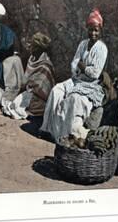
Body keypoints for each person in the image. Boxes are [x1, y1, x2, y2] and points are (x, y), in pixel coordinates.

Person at [40, 9, 108, 141]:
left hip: (91, 85)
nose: (93, 33)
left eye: (96, 30)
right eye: (91, 29)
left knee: (74, 99)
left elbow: (95, 73)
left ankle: (66, 134)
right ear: (87, 29)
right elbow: (74, 63)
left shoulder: (101, 48)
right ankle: (48, 129)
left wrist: (83, 67)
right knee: (56, 91)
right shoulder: (83, 44)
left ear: (100, 31)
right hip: (76, 79)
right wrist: (79, 68)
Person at [2, 32, 55, 120]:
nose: (30, 48)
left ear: (39, 49)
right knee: (15, 103)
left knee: (18, 105)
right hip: (29, 91)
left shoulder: (45, 65)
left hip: (40, 96)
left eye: (33, 46)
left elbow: (42, 86)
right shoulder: (32, 59)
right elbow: (27, 78)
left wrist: (29, 85)